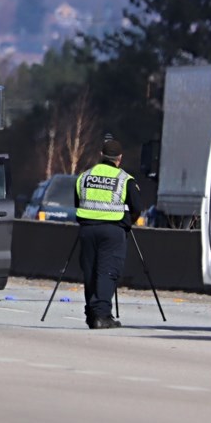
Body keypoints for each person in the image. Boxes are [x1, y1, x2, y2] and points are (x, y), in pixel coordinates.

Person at [74, 138, 142, 329]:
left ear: (101, 155)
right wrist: (128, 223)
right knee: (108, 272)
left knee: (90, 272)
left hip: (87, 230)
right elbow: (137, 207)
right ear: (119, 158)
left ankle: (91, 314)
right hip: (113, 231)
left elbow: (77, 203)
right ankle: (102, 316)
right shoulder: (125, 179)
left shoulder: (84, 176)